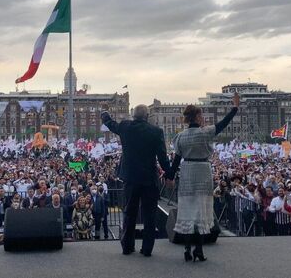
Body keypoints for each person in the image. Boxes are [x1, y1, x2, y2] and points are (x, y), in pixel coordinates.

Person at [169, 94, 239, 262]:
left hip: (186, 172)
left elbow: (176, 160)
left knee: (186, 210)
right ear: (198, 117)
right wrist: (235, 108)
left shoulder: (180, 137)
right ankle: (198, 250)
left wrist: (170, 176)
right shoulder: (206, 132)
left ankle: (187, 248)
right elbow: (224, 123)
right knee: (200, 212)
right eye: (201, 115)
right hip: (202, 171)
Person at [101, 104, 173, 257]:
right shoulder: (156, 132)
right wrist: (170, 175)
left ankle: (127, 246)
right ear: (147, 116)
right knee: (149, 215)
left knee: (129, 213)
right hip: (149, 179)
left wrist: (104, 112)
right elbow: (162, 158)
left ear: (133, 116)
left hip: (130, 178)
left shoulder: (126, 127)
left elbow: (110, 123)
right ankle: (147, 249)